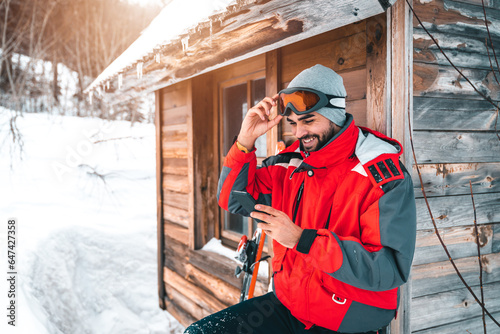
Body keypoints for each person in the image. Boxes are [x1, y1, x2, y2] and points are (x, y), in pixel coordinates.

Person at [184, 64, 416, 334]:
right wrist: (245, 141)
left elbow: (389, 269)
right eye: (293, 123)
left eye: (308, 121)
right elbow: (235, 200)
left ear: (336, 116)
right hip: (288, 305)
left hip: (348, 318)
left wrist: (301, 239)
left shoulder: (380, 175)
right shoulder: (289, 164)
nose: (299, 133)